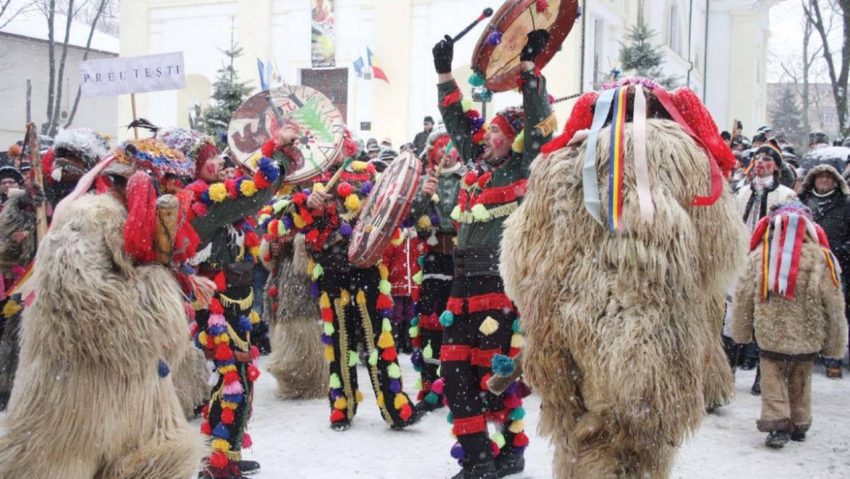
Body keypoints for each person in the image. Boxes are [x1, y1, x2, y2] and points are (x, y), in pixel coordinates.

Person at [500, 78, 745, 478]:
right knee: (634, 446)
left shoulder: (556, 160)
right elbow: (722, 256)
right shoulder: (683, 154)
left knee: (577, 437)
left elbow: (516, 260)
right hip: (648, 337)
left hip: (564, 331)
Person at [0, 146, 206, 478]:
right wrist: (156, 289)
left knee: (152, 461)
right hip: (77, 394)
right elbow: (79, 302)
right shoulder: (88, 218)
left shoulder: (137, 226)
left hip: (134, 396)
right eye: (165, 186)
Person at [432, 28, 556, 479]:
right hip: (462, 286)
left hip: (500, 286)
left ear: (514, 142)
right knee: (454, 369)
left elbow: (541, 126)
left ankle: (506, 453)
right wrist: (445, 73)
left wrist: (528, 69)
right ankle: (480, 455)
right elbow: (459, 123)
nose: (487, 139)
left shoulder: (524, 168)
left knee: (494, 372)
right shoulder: (476, 169)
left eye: (498, 134)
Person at [264, 131, 422, 432]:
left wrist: (366, 207)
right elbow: (286, 224)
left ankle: (396, 407)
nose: (333, 149)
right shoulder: (307, 180)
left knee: (380, 339)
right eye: (328, 145)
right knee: (339, 344)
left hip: (367, 267)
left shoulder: (367, 172)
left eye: (337, 144)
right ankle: (341, 406)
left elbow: (388, 211)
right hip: (330, 270)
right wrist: (306, 204)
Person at [188, 130, 296, 479]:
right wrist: (274, 149)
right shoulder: (202, 199)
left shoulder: (221, 199)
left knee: (235, 382)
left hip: (236, 300)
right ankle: (217, 464)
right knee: (229, 381)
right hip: (216, 304)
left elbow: (254, 192)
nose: (218, 161)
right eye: (209, 157)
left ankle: (226, 454)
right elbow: (258, 191)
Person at [731, 202, 847, 448]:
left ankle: (777, 423)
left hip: (771, 332)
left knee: (773, 378)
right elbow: (835, 304)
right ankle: (800, 421)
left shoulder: (761, 255)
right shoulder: (823, 258)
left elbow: (742, 296)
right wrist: (834, 344)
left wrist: (740, 332)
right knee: (801, 378)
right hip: (808, 334)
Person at [408, 129, 465, 413]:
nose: (445, 154)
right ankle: (430, 384)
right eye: (439, 149)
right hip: (431, 258)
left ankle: (454, 384)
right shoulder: (423, 182)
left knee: (455, 322)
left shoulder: (468, 180)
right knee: (430, 321)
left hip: (458, 259)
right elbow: (408, 218)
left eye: (449, 148)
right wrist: (423, 196)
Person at [733, 139, 797, 393]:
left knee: (765, 319)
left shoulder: (786, 196)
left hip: (769, 262)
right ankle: (728, 371)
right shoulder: (742, 192)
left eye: (767, 160)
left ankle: (763, 374)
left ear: (776, 167)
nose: (760, 164)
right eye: (757, 160)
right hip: (741, 260)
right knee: (734, 317)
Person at [798, 164, 850, 378]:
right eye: (821, 177)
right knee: (806, 309)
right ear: (813, 179)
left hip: (835, 265)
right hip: (805, 264)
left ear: (836, 180)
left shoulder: (845, 204)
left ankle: (833, 358)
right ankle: (804, 353)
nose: (825, 181)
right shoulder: (802, 203)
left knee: (834, 311)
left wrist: (841, 251)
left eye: (829, 177)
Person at [381, 227, 426, 354]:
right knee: (396, 313)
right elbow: (386, 258)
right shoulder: (395, 239)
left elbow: (421, 257)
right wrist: (386, 277)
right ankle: (395, 341)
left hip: (412, 285)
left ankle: (408, 342)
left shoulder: (416, 241)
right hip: (396, 283)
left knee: (410, 313)